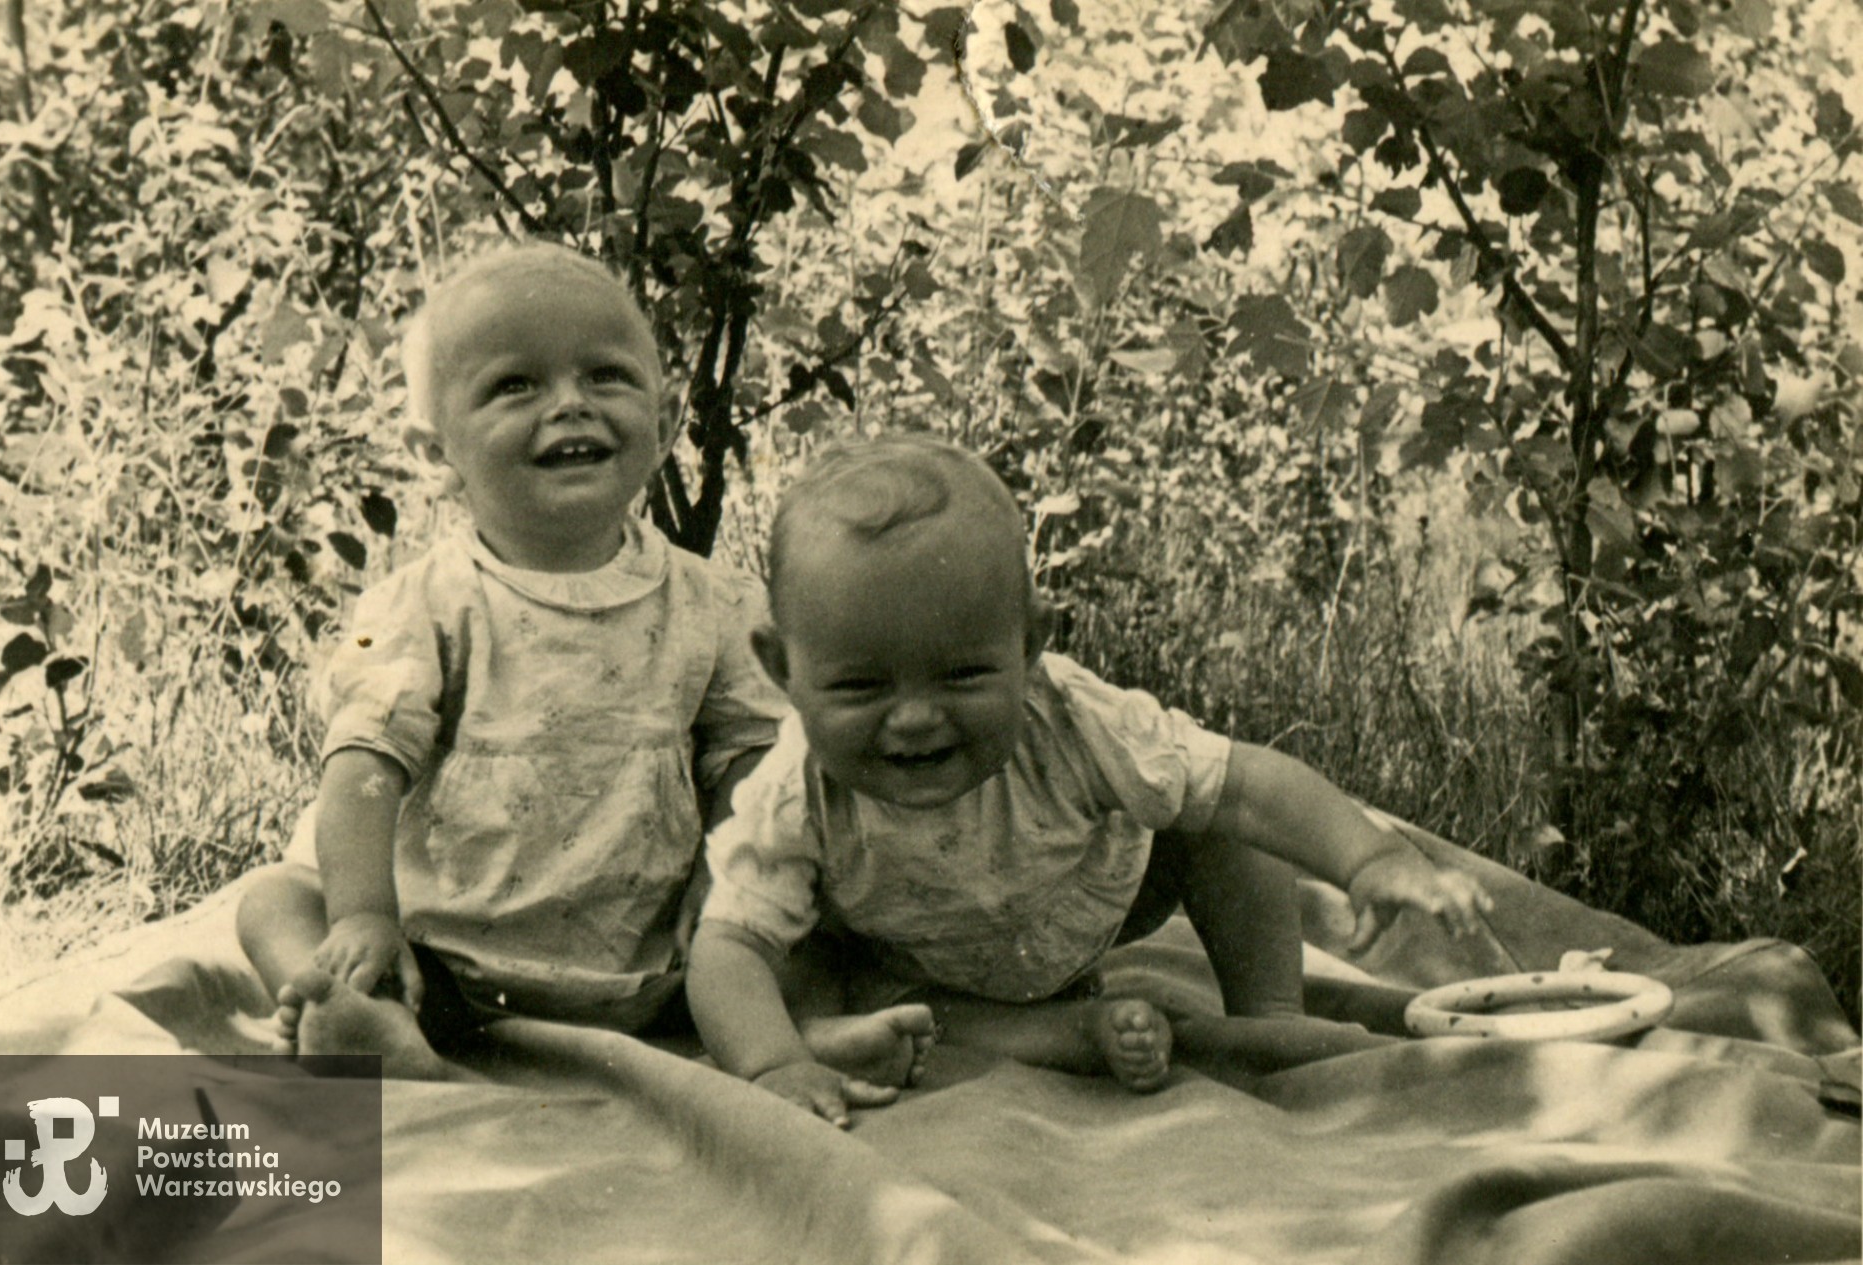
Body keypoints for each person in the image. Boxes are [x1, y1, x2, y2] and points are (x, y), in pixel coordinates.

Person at [237, 242, 933, 1092]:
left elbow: (753, 760)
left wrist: (721, 886)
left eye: (606, 376)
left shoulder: (712, 601)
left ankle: (786, 1032)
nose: (569, 406)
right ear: (434, 450)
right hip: (441, 963)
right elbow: (363, 767)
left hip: (660, 963)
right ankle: (368, 1022)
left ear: (667, 417)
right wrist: (364, 916)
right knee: (277, 899)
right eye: (515, 386)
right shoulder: (422, 606)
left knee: (800, 908)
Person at [686, 436, 1494, 1124]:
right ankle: (1063, 1033)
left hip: (1092, 893)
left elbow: (1248, 783)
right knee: (793, 959)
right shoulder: (795, 786)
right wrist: (769, 1068)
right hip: (917, 952)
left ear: (1031, 642)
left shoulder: (1075, 718)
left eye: (964, 674)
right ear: (781, 667)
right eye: (862, 687)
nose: (916, 719)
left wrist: (1371, 859)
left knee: (1213, 810)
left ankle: (1269, 1013)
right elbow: (727, 946)